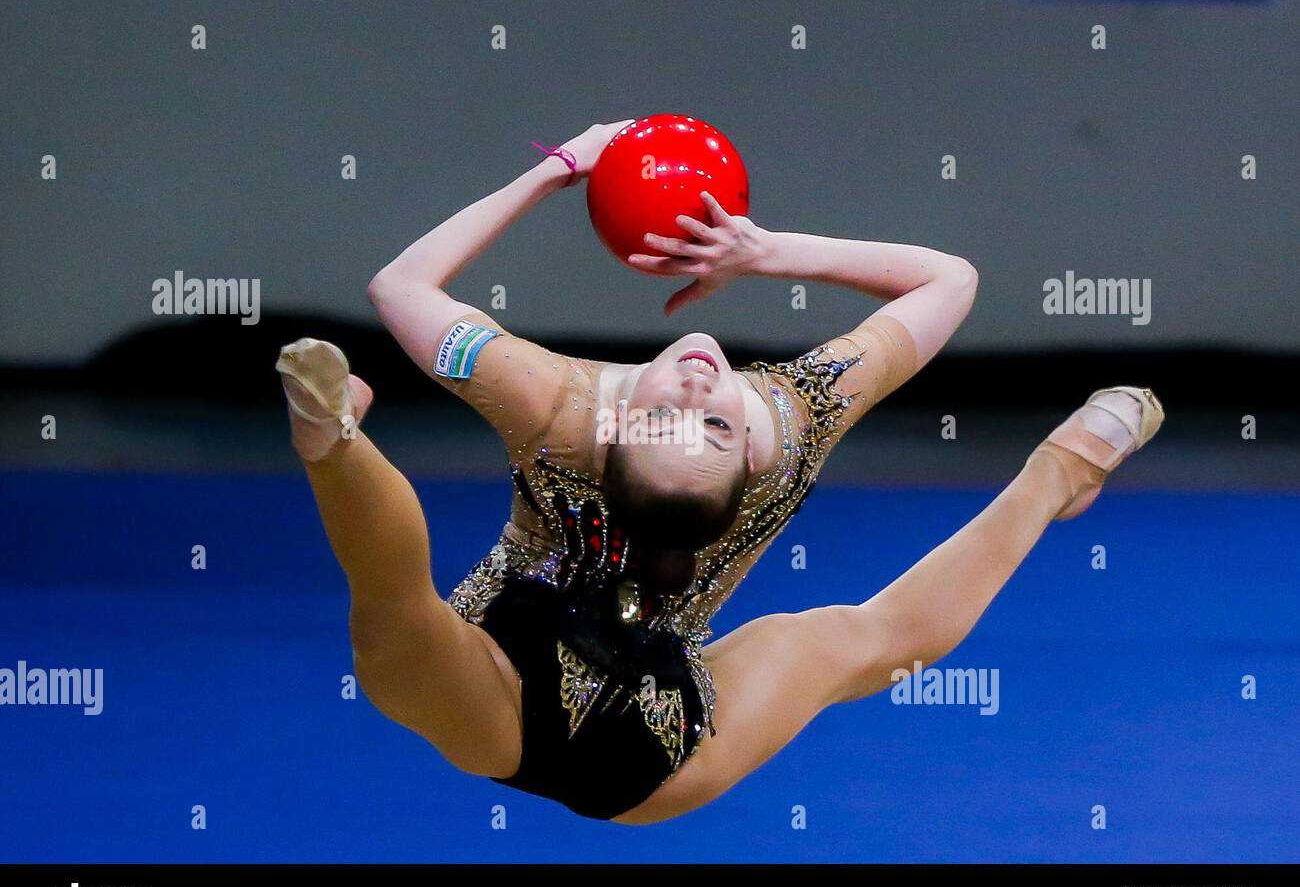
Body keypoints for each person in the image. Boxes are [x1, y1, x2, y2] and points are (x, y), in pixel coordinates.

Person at [276, 120, 1163, 823]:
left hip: (618, 745)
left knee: (396, 635)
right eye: (699, 417)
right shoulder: (793, 412)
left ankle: (333, 441)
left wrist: (562, 170)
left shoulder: (560, 408)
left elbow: (402, 287)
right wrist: (764, 253)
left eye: (684, 415)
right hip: (584, 703)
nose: (700, 383)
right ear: (746, 455)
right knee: (868, 641)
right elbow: (949, 282)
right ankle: (1059, 474)